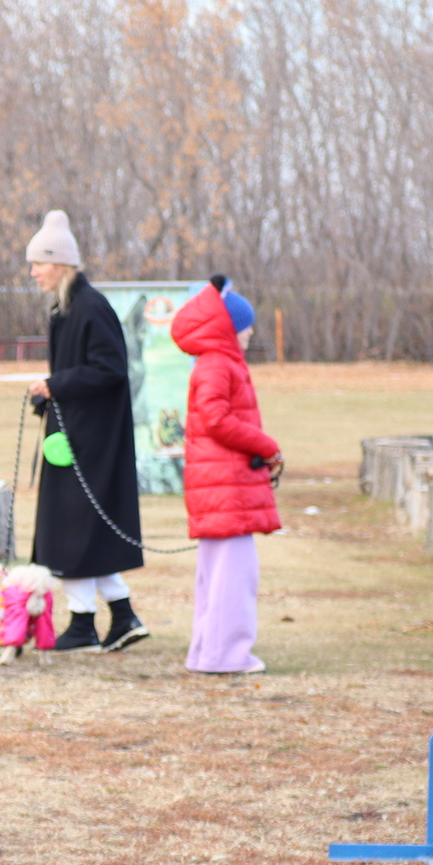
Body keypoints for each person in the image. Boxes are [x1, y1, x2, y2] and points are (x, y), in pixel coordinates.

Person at [23, 210, 147, 652]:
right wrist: (49, 396)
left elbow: (109, 369)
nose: (33, 272)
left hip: (90, 444)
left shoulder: (90, 307)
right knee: (83, 534)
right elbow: (83, 373)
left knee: (71, 532)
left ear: (59, 263)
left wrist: (57, 384)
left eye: (38, 263)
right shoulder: (68, 308)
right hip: (74, 437)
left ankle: (82, 625)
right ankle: (123, 617)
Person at [171, 281, 282, 674]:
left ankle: (207, 653)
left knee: (218, 578)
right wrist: (266, 446)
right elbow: (217, 419)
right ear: (228, 327)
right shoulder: (219, 362)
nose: (250, 331)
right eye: (245, 325)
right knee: (234, 578)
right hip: (226, 488)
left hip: (221, 487)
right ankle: (227, 656)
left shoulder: (215, 360)